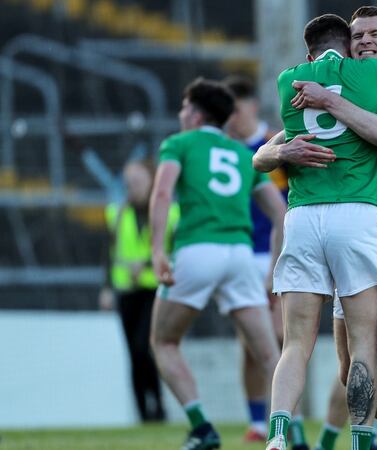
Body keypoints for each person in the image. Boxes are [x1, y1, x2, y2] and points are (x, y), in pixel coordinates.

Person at [253, 13, 377, 450]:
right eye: (358, 36)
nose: (366, 41)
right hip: (361, 232)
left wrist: (327, 99)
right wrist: (283, 149)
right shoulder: (357, 86)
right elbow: (262, 154)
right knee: (350, 367)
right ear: (348, 44)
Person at [148, 78, 286, 450]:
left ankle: (202, 427)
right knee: (270, 353)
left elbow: (162, 193)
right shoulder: (243, 155)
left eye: (183, 107)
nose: (181, 114)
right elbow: (280, 213)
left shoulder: (178, 144)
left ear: (194, 112)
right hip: (240, 256)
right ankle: (287, 432)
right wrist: (274, 270)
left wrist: (158, 249)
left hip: (197, 251)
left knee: (164, 341)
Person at [222, 75, 307, 447]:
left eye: (236, 109)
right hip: (242, 253)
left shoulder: (275, 143)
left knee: (277, 338)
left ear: (252, 106)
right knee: (251, 344)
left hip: (278, 249)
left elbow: (290, 199)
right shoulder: (222, 151)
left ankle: (289, 423)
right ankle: (258, 420)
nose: (232, 118)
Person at [99, 159, 177, 423]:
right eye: (128, 183)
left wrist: (143, 264)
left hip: (154, 288)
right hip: (126, 290)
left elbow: (173, 250)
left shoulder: (169, 213)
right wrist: (107, 287)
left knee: (145, 347)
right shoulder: (117, 213)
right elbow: (109, 254)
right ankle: (144, 413)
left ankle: (158, 404)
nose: (132, 188)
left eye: (137, 182)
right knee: (132, 353)